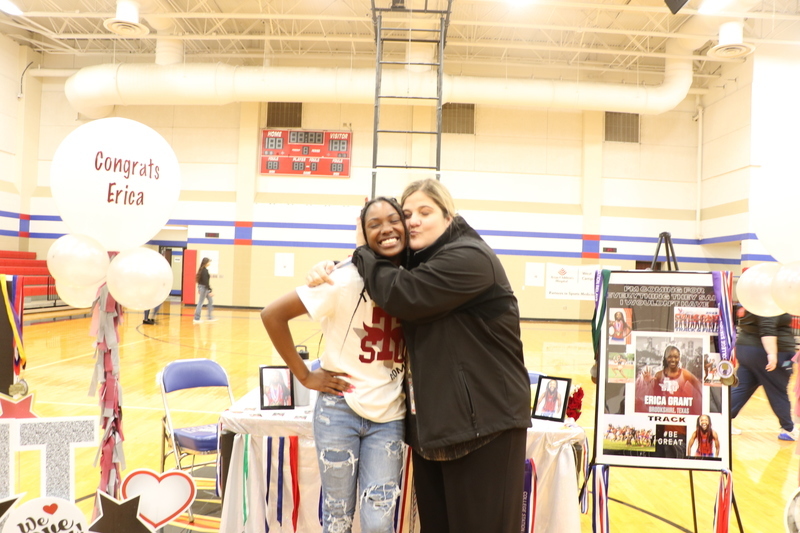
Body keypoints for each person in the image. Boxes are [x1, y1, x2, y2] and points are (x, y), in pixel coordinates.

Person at [343, 179, 532, 533]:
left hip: (485, 427)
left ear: (449, 216)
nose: (413, 220)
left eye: (425, 212)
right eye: (406, 214)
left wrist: (363, 250)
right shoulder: (422, 262)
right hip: (436, 431)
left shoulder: (469, 258)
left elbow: (402, 295)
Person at [261, 197, 407, 533]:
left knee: (379, 520)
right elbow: (272, 315)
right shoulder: (341, 280)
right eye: (374, 224)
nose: (385, 229)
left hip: (390, 414)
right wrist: (304, 375)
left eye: (393, 219)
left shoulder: (416, 279)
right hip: (339, 410)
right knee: (337, 515)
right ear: (362, 233)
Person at [730, 309, 797, 440]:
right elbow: (767, 326)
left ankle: (721, 421)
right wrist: (771, 354)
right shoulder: (769, 301)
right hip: (768, 352)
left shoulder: (753, 301)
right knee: (778, 390)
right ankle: (788, 429)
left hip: (747, 349)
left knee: (742, 388)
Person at [635, 344, 703, 416]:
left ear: (679, 358)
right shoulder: (659, 375)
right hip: (661, 415)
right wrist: (647, 383)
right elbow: (652, 397)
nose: (673, 360)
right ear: (665, 358)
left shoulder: (685, 374)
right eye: (670, 357)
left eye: (676, 357)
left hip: (679, 415)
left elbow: (700, 388)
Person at [193, 257, 216, 324]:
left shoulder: (202, 270)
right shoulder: (204, 271)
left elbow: (199, 280)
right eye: (209, 262)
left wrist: (199, 288)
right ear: (206, 263)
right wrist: (210, 290)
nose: (209, 263)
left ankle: (209, 317)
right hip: (204, 288)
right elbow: (205, 282)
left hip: (203, 288)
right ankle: (197, 318)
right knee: (200, 302)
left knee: (210, 301)